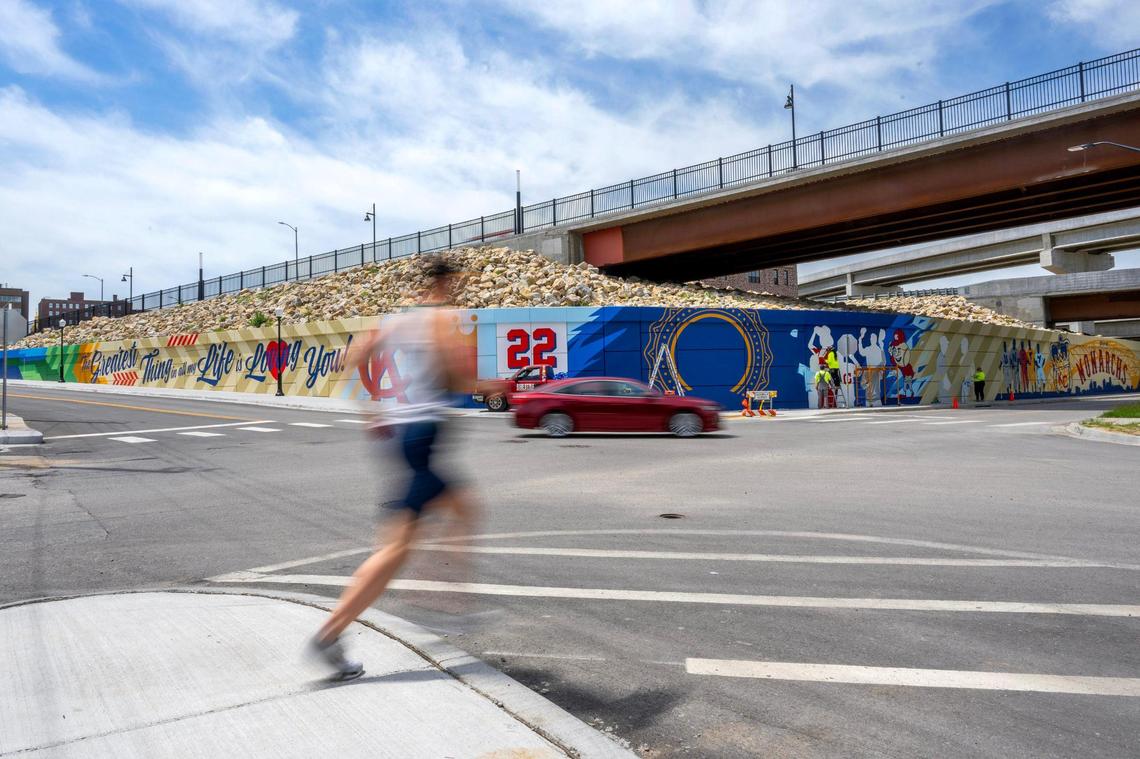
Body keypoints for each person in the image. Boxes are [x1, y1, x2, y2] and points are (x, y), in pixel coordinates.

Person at [308, 257, 476, 681]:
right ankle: (335, 632)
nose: (459, 290)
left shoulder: (399, 320)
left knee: (459, 509)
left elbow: (352, 356)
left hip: (406, 438)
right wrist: (491, 384)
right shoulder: (442, 319)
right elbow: (460, 376)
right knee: (394, 549)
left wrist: (371, 410)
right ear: (446, 282)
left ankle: (443, 597)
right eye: (457, 283)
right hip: (423, 436)